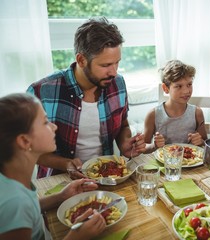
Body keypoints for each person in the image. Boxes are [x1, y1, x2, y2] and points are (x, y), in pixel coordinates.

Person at [27, 17, 146, 179]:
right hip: (58, 181)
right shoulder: (42, 92)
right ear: (81, 60)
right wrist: (65, 164)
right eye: (105, 65)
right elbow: (28, 148)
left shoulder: (117, 83)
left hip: (108, 178)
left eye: (117, 63)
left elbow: (123, 125)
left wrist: (124, 143)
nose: (114, 72)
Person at [0, 93, 106, 240]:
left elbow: (29, 207)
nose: (54, 126)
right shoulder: (14, 203)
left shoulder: (11, 181)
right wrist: (75, 237)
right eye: (45, 122)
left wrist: (60, 197)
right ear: (24, 141)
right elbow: (20, 208)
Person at [143, 60, 207, 153]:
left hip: (190, 163)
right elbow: (143, 148)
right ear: (165, 88)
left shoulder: (197, 113)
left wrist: (200, 142)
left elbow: (205, 144)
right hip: (164, 165)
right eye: (178, 86)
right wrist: (154, 146)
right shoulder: (153, 115)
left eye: (189, 84)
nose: (186, 91)